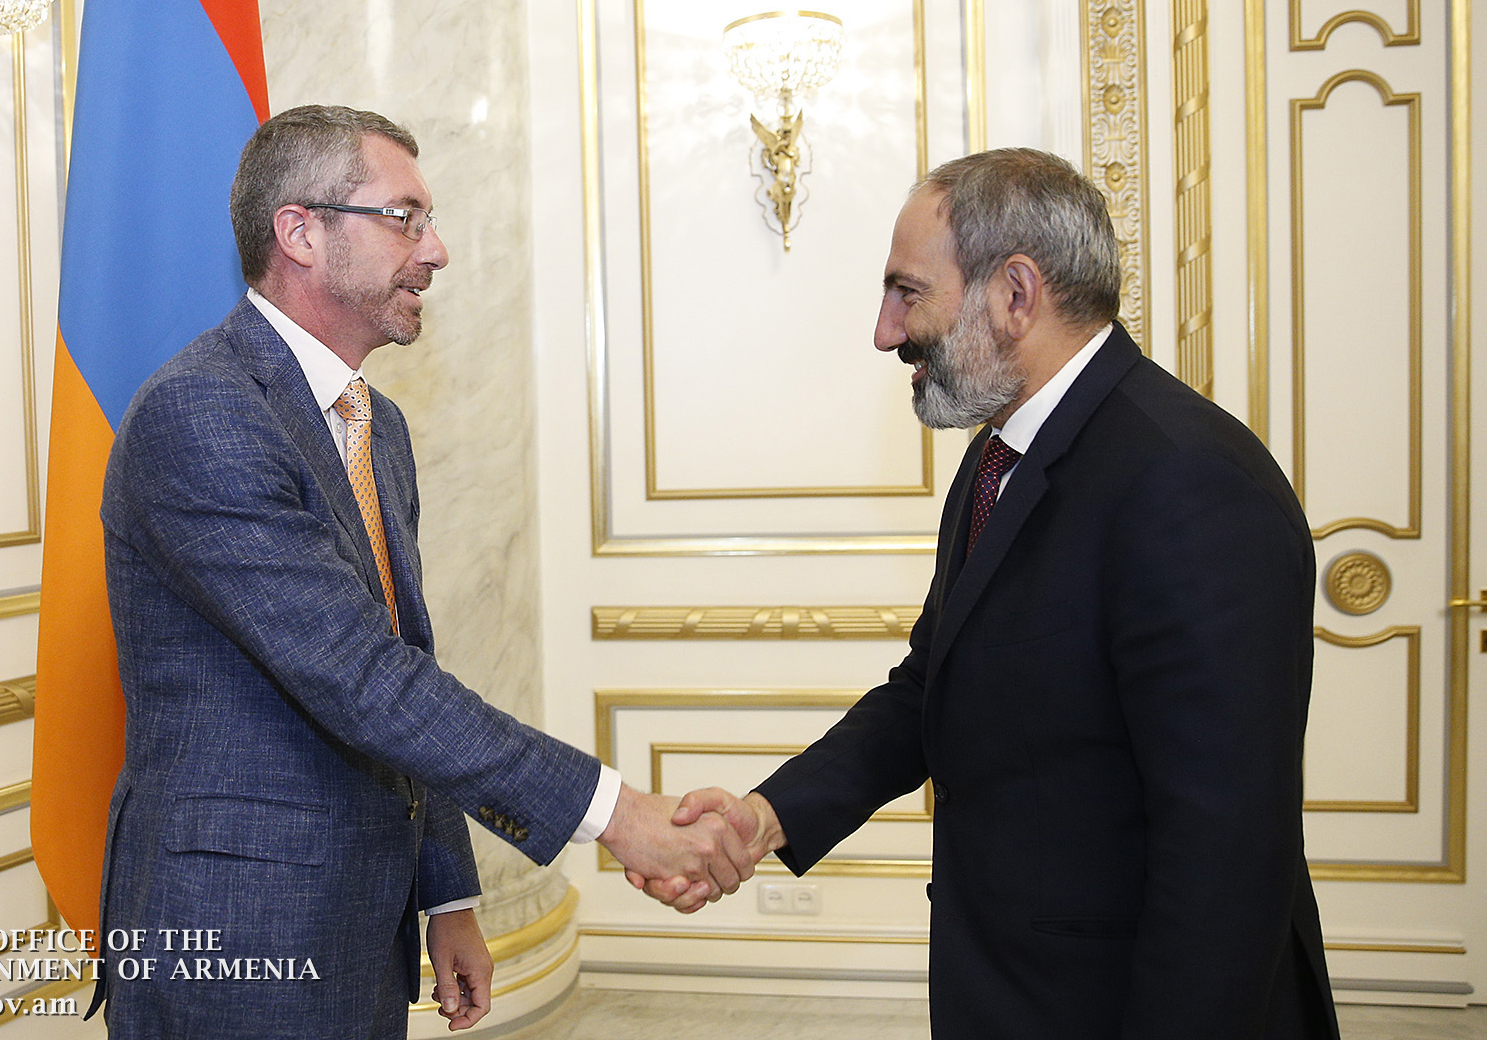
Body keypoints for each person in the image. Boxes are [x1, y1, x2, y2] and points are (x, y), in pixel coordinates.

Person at [640, 148, 1342, 1039]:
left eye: (908, 292)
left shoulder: (1190, 481)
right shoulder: (997, 455)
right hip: (1014, 991)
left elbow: (1227, 855)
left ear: (1015, 294)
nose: (886, 332)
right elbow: (929, 689)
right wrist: (764, 817)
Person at [95, 104, 752, 1039]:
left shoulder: (378, 426)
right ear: (301, 232)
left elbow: (404, 663)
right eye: (405, 218)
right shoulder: (202, 413)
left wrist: (447, 895)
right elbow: (358, 675)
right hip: (239, 929)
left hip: (365, 918)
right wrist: (614, 811)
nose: (436, 250)